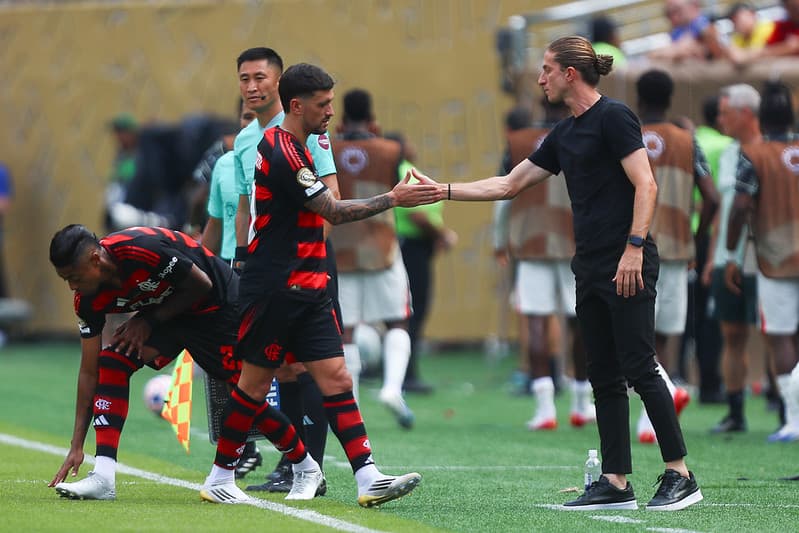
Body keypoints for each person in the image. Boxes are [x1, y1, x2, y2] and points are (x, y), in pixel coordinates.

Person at [412, 36, 702, 511]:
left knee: (640, 366)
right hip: (587, 265)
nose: (540, 78)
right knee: (602, 375)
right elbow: (508, 184)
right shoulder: (564, 134)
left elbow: (646, 184)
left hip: (627, 261)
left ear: (570, 73)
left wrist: (633, 247)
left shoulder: (614, 117)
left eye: (546, 69)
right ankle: (615, 482)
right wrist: (442, 189)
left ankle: (680, 475)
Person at [202, 63, 435, 506]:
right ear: (297, 105)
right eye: (323, 104)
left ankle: (367, 477)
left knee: (337, 378)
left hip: (308, 288)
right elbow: (331, 209)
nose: (331, 111)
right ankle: (220, 476)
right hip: (274, 288)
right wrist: (393, 198)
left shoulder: (303, 146)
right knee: (253, 386)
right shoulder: (280, 149)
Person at [46, 225, 317, 502]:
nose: (72, 286)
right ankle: (103, 476)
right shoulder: (86, 301)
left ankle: (306, 467)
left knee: (244, 398)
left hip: (218, 307)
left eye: (74, 277)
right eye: (65, 279)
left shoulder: (139, 249)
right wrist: (76, 445)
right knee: (112, 362)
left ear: (95, 259)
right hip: (171, 315)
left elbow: (201, 284)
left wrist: (147, 320)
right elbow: (89, 372)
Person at [231, 47, 335, 493]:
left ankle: (313, 465)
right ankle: (291, 465)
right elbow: (244, 206)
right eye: (244, 79)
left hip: (301, 268)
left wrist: (304, 259)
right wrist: (238, 259)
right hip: (263, 268)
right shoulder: (242, 140)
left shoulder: (305, 130)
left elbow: (329, 198)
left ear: (280, 84)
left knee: (317, 368)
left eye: (260, 78)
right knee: (278, 371)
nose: (252, 87)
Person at [493, 97, 595, 430]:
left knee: (536, 320)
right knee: (580, 321)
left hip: (531, 241)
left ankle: (545, 409)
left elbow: (502, 194)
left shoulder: (518, 141)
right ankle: (581, 402)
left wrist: (500, 241)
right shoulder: (584, 135)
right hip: (575, 240)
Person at [634, 69, 719, 444]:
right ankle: (657, 413)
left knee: (638, 330)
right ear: (670, 100)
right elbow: (712, 198)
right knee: (668, 332)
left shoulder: (626, 136)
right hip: (676, 247)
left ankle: (644, 411)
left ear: (638, 98)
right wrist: (696, 238)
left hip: (634, 246)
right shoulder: (688, 140)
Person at [329, 88, 415, 427]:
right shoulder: (392, 150)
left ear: (341, 119)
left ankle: (354, 407)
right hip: (382, 249)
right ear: (373, 119)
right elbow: (406, 184)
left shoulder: (328, 149)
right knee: (397, 320)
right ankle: (393, 388)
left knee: (346, 331)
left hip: (341, 250)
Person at [725, 80, 799, 442]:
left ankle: (793, 418)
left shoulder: (753, 155)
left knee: (781, 337)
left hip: (774, 256)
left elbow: (740, 206)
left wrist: (730, 250)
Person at [200, 100, 262, 479]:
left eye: (257, 119)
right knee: (226, 366)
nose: (250, 126)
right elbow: (215, 222)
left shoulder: (286, 157)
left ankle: (297, 457)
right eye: (245, 118)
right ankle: (243, 450)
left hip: (270, 273)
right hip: (228, 275)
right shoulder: (225, 165)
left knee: (278, 366)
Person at [705, 84, 762, 434]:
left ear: (745, 113)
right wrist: (715, 256)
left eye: (726, 113)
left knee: (776, 336)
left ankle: (787, 409)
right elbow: (722, 211)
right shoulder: (727, 153)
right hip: (726, 256)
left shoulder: (769, 152)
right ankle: (735, 410)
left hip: (759, 256)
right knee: (733, 334)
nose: (720, 119)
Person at [388, 130, 457, 394]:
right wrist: (442, 234)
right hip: (411, 248)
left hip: (413, 247)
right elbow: (417, 216)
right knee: (412, 310)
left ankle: (405, 372)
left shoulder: (399, 169)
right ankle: (407, 374)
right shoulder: (403, 171)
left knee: (408, 311)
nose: (412, 144)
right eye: (407, 140)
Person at [687, 95, 732, 404]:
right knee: (710, 316)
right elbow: (719, 198)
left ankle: (675, 375)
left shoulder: (691, 141)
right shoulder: (726, 147)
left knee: (684, 315)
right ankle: (710, 385)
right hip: (710, 235)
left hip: (680, 233)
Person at [651, 0, 730, 61]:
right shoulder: (678, 30)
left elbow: (682, 50)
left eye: (677, 9)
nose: (673, 16)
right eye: (669, 13)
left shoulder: (702, 22)